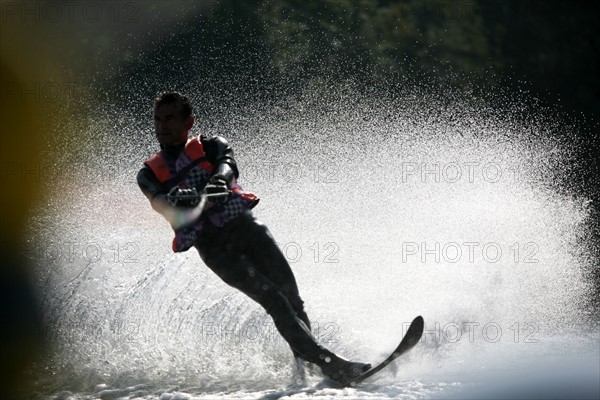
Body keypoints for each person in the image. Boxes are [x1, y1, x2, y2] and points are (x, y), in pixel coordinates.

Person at [137, 91, 370, 384]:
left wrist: (220, 179)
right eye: (158, 120)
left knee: (293, 301)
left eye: (170, 119)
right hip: (215, 249)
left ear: (189, 122)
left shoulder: (211, 145)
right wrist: (175, 201)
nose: (162, 126)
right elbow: (159, 203)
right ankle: (332, 364)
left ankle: (308, 370)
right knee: (274, 300)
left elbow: (227, 164)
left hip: (245, 228)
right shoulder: (149, 173)